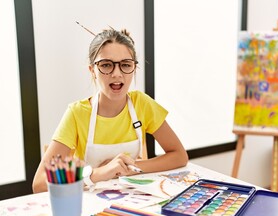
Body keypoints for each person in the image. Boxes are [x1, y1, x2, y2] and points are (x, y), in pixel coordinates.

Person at [32, 28, 188, 193]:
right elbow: (39, 183)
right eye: (106, 65)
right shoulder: (77, 114)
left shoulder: (142, 104)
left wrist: (129, 166)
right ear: (92, 71)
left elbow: (179, 156)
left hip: (135, 202)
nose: (116, 73)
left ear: (134, 68)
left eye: (125, 65)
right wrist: (97, 174)